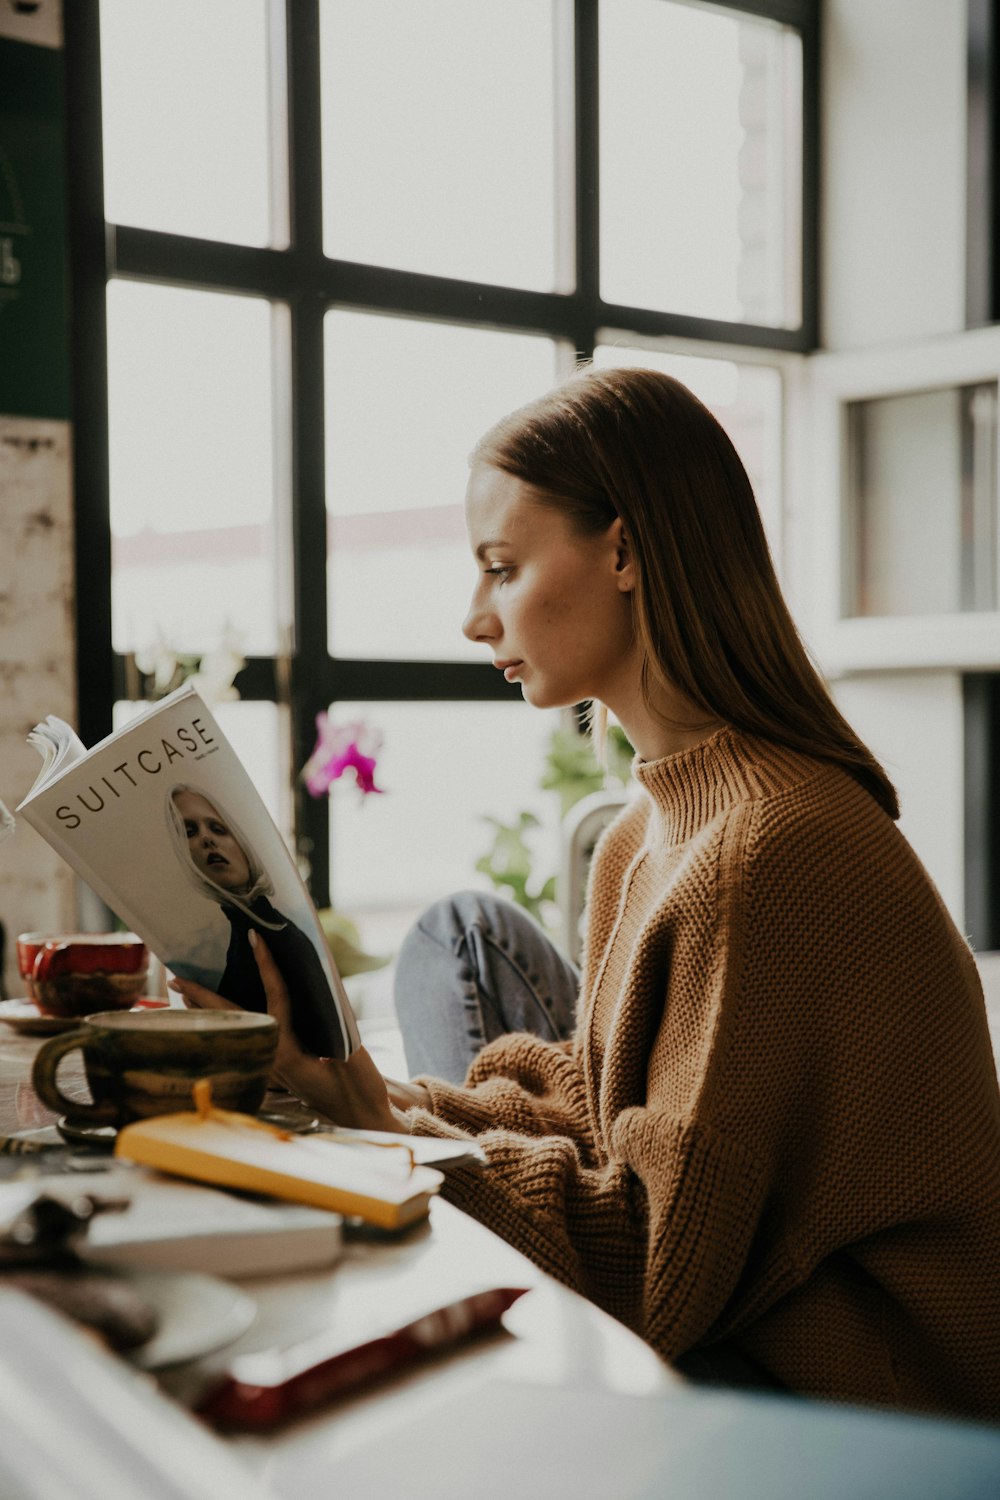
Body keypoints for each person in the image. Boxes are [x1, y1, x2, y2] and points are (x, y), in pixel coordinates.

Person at [191, 367, 1000, 1423]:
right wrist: (392, 1105)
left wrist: (395, 1142)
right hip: (745, 1323)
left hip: (856, 1396)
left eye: (502, 567)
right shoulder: (649, 828)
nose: (474, 618)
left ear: (622, 551)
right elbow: (602, 1106)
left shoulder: (768, 850)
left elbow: (661, 1265)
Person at [166, 785, 347, 1058]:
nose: (206, 839)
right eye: (189, 831)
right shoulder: (235, 939)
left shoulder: (280, 934)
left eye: (217, 828)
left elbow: (327, 1048)